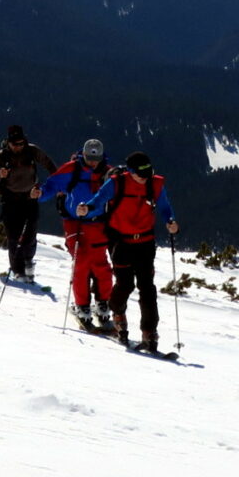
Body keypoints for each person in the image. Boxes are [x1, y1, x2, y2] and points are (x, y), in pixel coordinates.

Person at [81, 150, 179, 353]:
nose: (145, 178)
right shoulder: (118, 183)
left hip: (145, 241)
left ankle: (149, 333)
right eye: (141, 174)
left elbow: (164, 206)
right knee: (125, 284)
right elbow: (99, 200)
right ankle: (117, 313)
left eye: (148, 173)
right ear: (131, 172)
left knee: (147, 288)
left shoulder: (155, 183)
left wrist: (170, 221)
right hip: (121, 241)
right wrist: (87, 209)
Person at [40, 139, 115, 331]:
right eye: (90, 158)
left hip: (97, 223)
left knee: (101, 266)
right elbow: (52, 185)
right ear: (84, 154)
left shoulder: (108, 173)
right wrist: (39, 194)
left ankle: (102, 303)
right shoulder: (71, 169)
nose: (92, 162)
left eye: (96, 159)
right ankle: (83, 306)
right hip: (74, 222)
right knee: (81, 263)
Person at [0, 124, 55, 284]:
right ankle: (18, 270)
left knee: (30, 233)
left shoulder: (32, 151)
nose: (19, 146)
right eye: (16, 144)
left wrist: (57, 182)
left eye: (21, 143)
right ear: (8, 142)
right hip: (10, 200)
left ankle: (28, 263)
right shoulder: (1, 157)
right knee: (13, 236)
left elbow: (49, 164)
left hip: (30, 197)